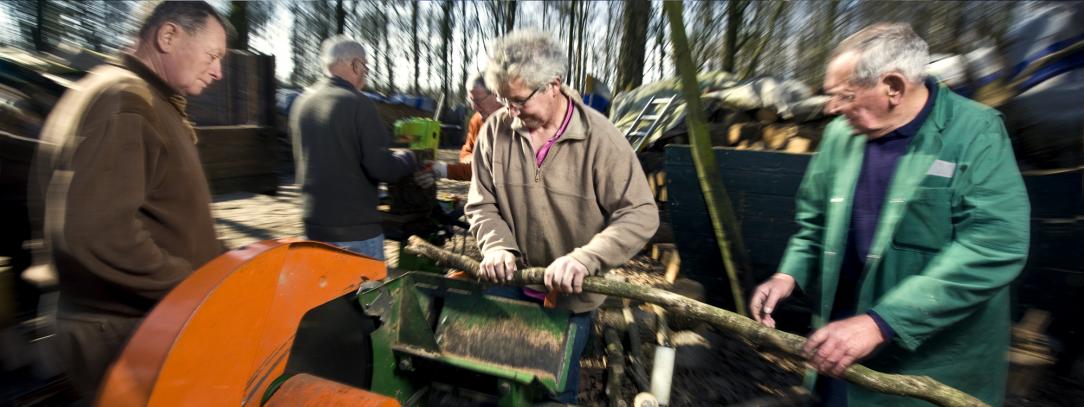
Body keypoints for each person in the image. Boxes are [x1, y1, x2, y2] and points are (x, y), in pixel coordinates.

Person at [750, 23, 1029, 406]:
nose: (831, 108)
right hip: (839, 345)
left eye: (844, 95)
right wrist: (788, 273)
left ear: (893, 87)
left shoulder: (974, 131)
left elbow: (995, 243)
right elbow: (813, 222)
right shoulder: (839, 136)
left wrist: (884, 322)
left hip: (929, 364)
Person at [34, 1, 231, 398]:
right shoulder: (126, 100)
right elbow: (95, 232)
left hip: (133, 325)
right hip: (127, 333)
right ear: (168, 35)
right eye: (212, 55)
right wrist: (194, 289)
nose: (218, 71)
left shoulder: (125, 93)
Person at [465, 30, 659, 404]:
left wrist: (585, 258)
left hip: (570, 301)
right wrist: (495, 247)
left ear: (553, 84)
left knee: (552, 393)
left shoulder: (601, 140)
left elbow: (640, 213)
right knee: (497, 384)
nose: (510, 111)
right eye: (504, 100)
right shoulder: (494, 132)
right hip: (509, 284)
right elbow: (481, 202)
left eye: (518, 100)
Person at [290, 36, 420, 260]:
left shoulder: (302, 103)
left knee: (328, 295)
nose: (365, 76)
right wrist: (409, 157)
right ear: (356, 65)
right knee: (371, 294)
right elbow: (382, 169)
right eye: (365, 68)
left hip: (312, 228)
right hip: (355, 232)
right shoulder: (358, 104)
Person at [430, 73, 504, 181]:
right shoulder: (477, 120)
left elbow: (491, 169)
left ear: (496, 94)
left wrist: (446, 170)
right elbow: (466, 152)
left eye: (477, 100)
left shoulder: (513, 123)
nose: (474, 107)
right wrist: (473, 161)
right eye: (471, 100)